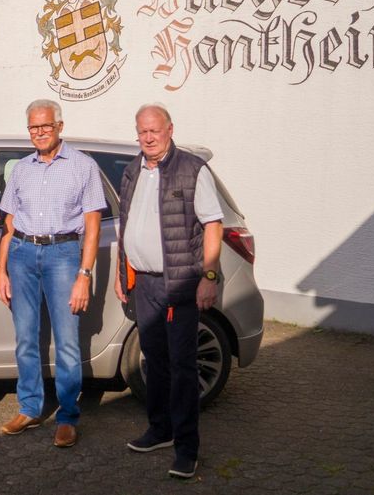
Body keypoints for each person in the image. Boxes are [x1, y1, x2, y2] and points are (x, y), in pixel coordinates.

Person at [114, 103, 223, 480]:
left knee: (183, 366)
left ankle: (186, 448)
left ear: (169, 129)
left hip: (179, 283)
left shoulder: (192, 169)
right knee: (154, 361)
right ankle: (159, 430)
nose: (147, 137)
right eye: (141, 131)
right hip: (143, 283)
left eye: (154, 131)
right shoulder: (131, 171)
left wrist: (209, 276)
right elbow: (124, 226)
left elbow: (212, 224)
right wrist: (120, 272)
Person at [0, 99, 106, 448]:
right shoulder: (21, 169)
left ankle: (68, 416)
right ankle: (29, 407)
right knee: (26, 338)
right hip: (23, 254)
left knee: (67, 341)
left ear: (59, 126)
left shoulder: (83, 166)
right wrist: (2, 270)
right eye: (33, 127)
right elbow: (8, 225)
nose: (39, 132)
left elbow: (93, 227)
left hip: (63, 255)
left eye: (45, 126)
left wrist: (84, 274)